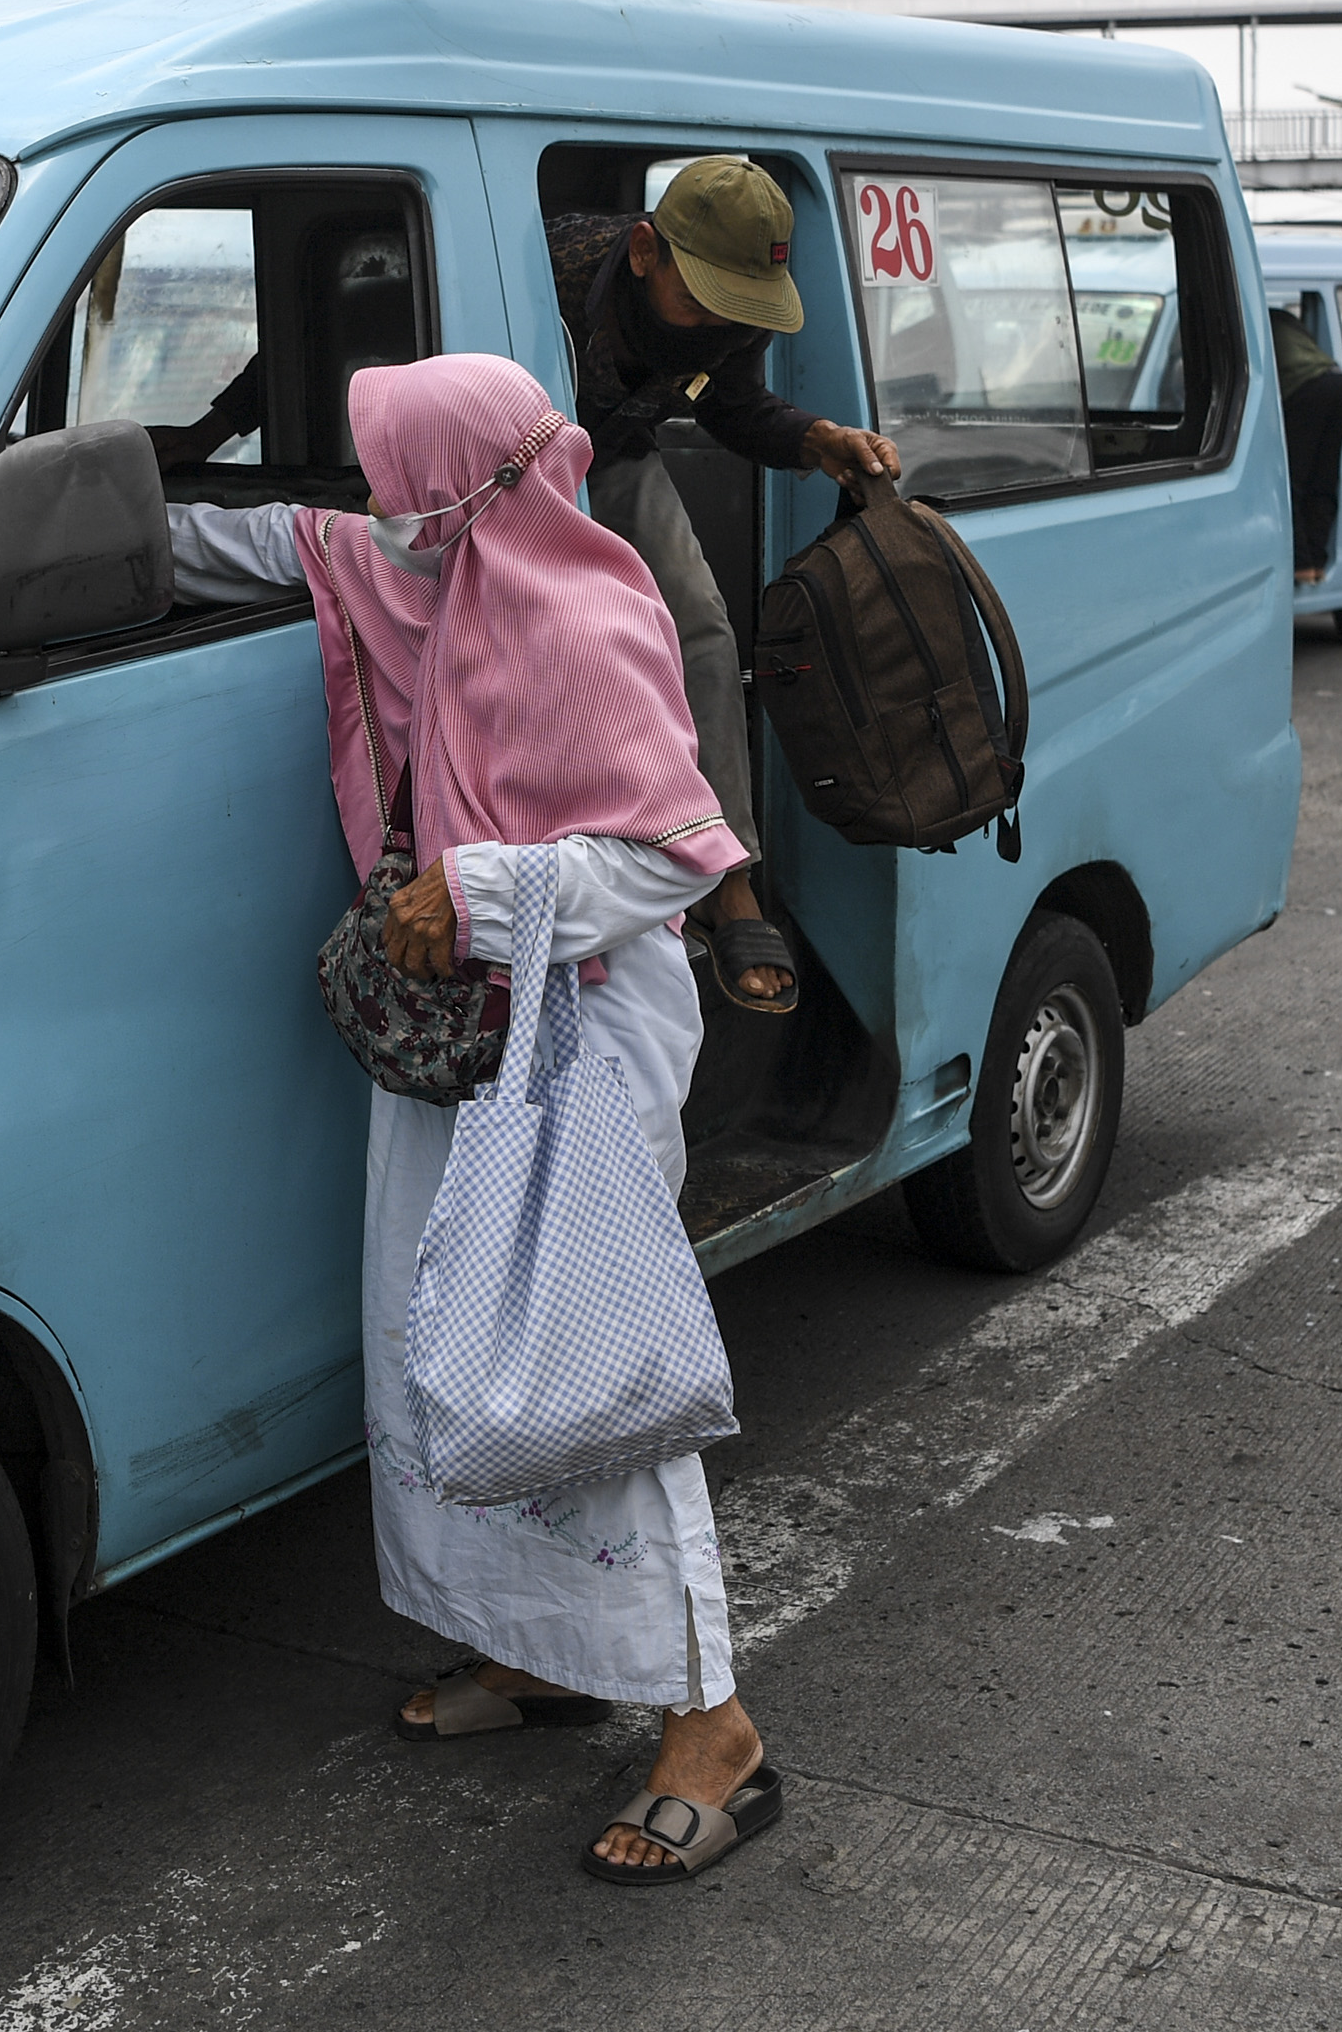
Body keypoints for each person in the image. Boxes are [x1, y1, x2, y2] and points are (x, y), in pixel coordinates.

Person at [161, 353, 781, 1885]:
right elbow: (254, 538)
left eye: (397, 479)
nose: (377, 507)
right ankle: (544, 1652)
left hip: (585, 1038)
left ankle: (717, 1726)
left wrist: (490, 887)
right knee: (452, 1341)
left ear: (461, 488)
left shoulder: (590, 612)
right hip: (465, 1036)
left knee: (590, 1356)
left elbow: (674, 856)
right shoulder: (409, 570)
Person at [154, 162, 901, 1017]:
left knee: (696, 622)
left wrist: (816, 440)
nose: (720, 327)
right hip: (489, 471)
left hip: (603, 453)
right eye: (705, 304)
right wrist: (212, 432)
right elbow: (328, 329)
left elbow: (730, 406)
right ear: (647, 251)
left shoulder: (728, 315)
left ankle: (726, 872)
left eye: (740, 313)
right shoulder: (536, 260)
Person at [1269, 304, 1342, 591]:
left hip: (1304, 389)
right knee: (1324, 479)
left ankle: (1301, 563)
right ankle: (1317, 562)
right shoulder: (1283, 318)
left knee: (1290, 480)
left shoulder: (1246, 318)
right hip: (1336, 382)